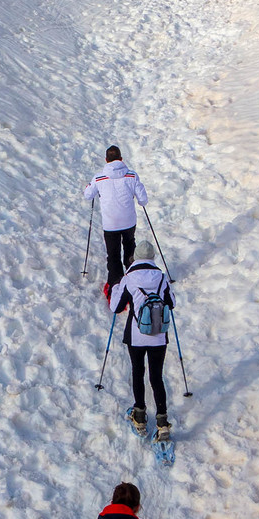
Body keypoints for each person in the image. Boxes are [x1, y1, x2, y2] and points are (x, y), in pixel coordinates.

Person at [113, 250, 174, 440]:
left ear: (137, 257)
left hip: (136, 336)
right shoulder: (162, 278)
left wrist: (116, 289)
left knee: (138, 372)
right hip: (159, 336)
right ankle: (162, 423)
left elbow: (116, 307)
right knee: (157, 377)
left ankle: (139, 415)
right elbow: (171, 303)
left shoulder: (129, 278)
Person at [81, 145, 150, 286]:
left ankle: (115, 285)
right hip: (129, 222)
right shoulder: (132, 175)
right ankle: (133, 280)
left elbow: (87, 195)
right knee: (130, 248)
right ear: (121, 159)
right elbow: (143, 200)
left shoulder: (98, 178)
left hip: (110, 224)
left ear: (106, 160)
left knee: (113, 255)